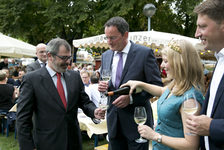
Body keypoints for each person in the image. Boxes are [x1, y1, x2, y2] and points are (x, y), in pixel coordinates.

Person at [16, 38, 105, 150]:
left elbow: (84, 102)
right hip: (47, 143)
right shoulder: (32, 80)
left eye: (69, 57)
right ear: (50, 56)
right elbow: (23, 119)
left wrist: (94, 111)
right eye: (63, 58)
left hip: (73, 143)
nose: (68, 62)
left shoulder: (75, 77)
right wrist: (28, 147)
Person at [121, 39, 205, 150]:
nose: (161, 65)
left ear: (179, 63)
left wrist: (155, 136)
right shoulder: (176, 84)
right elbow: (162, 91)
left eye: (165, 61)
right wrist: (140, 84)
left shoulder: (190, 99)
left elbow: (191, 145)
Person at [98, 16, 162, 150]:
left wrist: (131, 98)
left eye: (113, 38)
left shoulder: (144, 53)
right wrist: (103, 86)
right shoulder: (106, 55)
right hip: (113, 122)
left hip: (137, 123)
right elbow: (108, 84)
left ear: (125, 35)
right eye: (106, 38)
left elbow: (157, 86)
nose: (108, 42)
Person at [186, 0, 224, 149]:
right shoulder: (219, 59)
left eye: (202, 26)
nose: (196, 34)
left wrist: (213, 127)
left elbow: (212, 124)